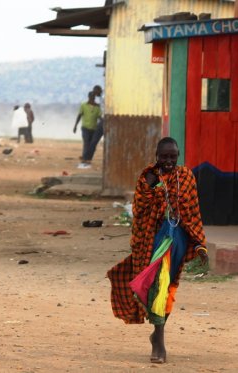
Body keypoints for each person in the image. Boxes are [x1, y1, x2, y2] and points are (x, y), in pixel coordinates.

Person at [107, 137, 209, 364]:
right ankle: (160, 340)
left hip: (178, 242)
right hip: (152, 243)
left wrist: (200, 243)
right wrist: (152, 188)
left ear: (178, 155)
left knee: (168, 288)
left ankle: (157, 334)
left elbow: (193, 213)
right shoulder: (147, 177)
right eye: (164, 157)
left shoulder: (186, 177)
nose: (168, 161)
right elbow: (139, 210)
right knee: (157, 287)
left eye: (172, 156)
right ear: (156, 156)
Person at [73, 92, 101, 169]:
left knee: (92, 144)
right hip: (85, 128)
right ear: (88, 97)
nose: (92, 99)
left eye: (94, 98)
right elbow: (79, 115)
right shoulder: (83, 105)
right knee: (86, 143)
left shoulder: (97, 107)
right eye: (91, 97)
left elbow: (100, 117)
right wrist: (75, 126)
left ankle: (88, 159)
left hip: (94, 129)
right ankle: (84, 159)